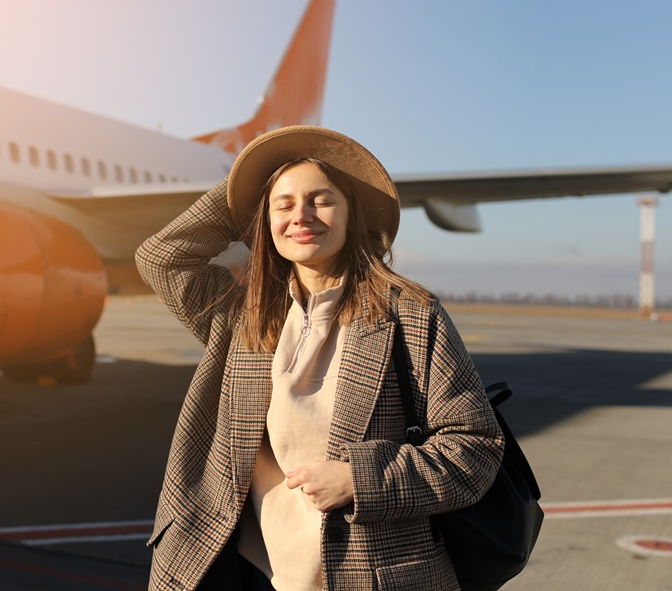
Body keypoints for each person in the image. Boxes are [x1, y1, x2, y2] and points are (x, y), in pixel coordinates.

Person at [136, 125, 503, 590]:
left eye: (322, 200)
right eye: (283, 205)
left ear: (353, 215)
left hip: (372, 577)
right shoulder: (242, 317)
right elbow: (162, 258)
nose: (301, 216)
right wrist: (251, 185)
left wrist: (361, 481)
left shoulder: (409, 314)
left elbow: (475, 449)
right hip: (249, 573)